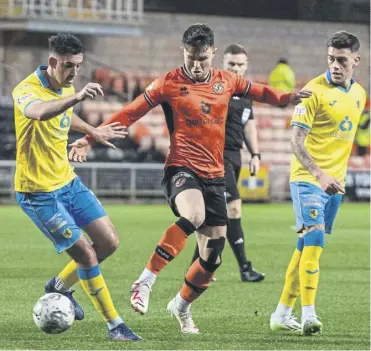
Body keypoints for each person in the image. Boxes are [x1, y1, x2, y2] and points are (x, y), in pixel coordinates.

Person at [69, 24, 311, 334]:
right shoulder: (168, 83)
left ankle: (181, 306)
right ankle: (145, 281)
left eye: (202, 59)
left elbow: (261, 91)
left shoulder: (227, 80)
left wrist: (288, 97)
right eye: (190, 57)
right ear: (184, 51)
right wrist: (90, 138)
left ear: (212, 53)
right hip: (181, 168)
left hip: (215, 176)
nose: (196, 65)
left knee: (212, 258)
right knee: (193, 215)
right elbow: (130, 112)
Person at [12, 33, 141, 341]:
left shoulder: (66, 85)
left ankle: (59, 286)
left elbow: (65, 116)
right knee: (86, 255)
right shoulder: (26, 89)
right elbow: (40, 112)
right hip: (38, 193)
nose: (74, 73)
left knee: (109, 243)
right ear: (53, 61)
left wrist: (92, 131)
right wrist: (79, 96)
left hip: (67, 182)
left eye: (78, 66)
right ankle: (115, 326)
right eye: (69, 66)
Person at [269, 31, 366, 335]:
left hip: (333, 185)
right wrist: (319, 174)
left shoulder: (360, 95)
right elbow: (296, 143)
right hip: (308, 180)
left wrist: (333, 176)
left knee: (303, 248)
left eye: (342, 60)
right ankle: (309, 314)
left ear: (356, 60)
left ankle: (282, 313)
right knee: (314, 239)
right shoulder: (312, 91)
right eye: (330, 59)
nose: (335, 65)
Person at [190, 44, 264, 282]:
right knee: (232, 208)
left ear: (246, 65)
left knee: (213, 214)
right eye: (231, 64)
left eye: (240, 64)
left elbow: (248, 124)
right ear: (223, 63)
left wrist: (255, 154)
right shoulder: (211, 88)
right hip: (214, 156)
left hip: (234, 156)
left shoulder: (246, 92)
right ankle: (244, 268)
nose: (236, 68)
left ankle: (198, 265)